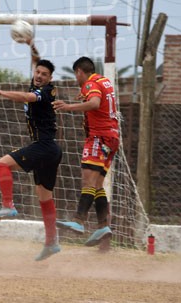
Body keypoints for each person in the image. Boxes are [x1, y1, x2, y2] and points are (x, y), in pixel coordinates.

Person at [0, 40, 64, 261]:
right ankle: (51, 242)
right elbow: (36, 61)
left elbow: (27, 98)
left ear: (50, 78)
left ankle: (8, 205)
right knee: (45, 198)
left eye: (44, 74)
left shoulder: (45, 92)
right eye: (37, 73)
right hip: (52, 150)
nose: (39, 76)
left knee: (1, 164)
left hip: (44, 146)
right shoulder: (36, 82)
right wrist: (31, 44)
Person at [53, 56, 120, 250]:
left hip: (99, 136)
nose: (77, 79)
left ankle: (79, 220)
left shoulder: (90, 84)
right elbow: (99, 101)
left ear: (79, 72)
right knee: (97, 184)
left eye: (76, 75)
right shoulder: (102, 80)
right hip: (112, 137)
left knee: (87, 181)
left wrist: (68, 107)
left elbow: (95, 103)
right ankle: (102, 227)